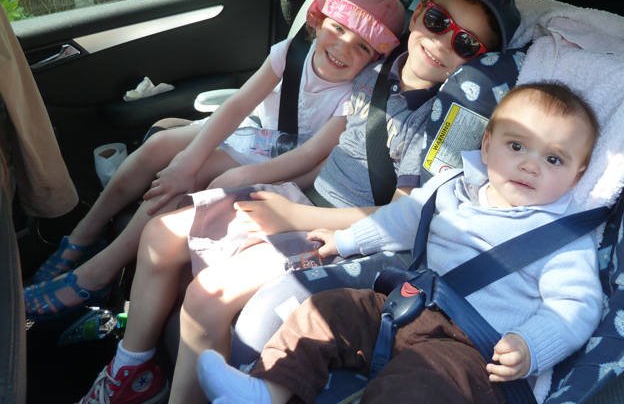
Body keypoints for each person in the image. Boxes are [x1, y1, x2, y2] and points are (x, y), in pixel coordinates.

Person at [74, 0, 521, 404]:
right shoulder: (375, 71)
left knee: (208, 294)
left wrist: (293, 216)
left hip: (340, 235)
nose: (441, 42)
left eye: (465, 43)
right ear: (420, 11)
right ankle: (131, 368)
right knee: (158, 234)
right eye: (438, 21)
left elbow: (402, 217)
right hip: (302, 197)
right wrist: (248, 182)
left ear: (478, 58)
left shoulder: (437, 121)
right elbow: (322, 151)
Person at [197, 81, 603, 404]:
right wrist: (345, 240)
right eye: (516, 146)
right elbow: (403, 219)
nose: (530, 165)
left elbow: (576, 305)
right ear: (486, 144)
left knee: (416, 387)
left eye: (554, 159)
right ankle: (267, 390)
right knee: (326, 311)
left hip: (474, 351)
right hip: (405, 308)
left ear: (578, 175)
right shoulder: (453, 187)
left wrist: (532, 346)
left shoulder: (563, 238)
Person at [25, 0, 406, 318]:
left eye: (362, 46)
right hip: (258, 133)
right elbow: (239, 105)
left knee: (208, 173)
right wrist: (186, 162)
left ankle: (100, 271)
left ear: (375, 59)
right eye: (337, 28)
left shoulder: (356, 95)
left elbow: (308, 156)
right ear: (319, 22)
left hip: (294, 160)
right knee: (161, 146)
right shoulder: (293, 51)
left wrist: (233, 174)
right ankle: (82, 235)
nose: (342, 47)